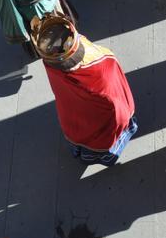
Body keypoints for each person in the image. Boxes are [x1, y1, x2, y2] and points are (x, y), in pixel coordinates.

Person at [32, 13, 137, 166]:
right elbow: (117, 108)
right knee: (100, 142)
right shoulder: (101, 68)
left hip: (71, 114)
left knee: (80, 135)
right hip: (98, 124)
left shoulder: (50, 63)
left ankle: (79, 151)